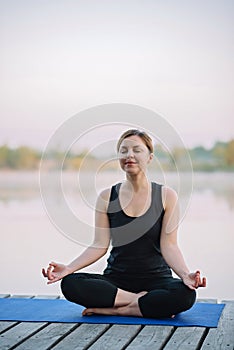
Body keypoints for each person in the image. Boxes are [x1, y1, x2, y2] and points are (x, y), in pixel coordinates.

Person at [42, 129, 206, 318]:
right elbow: (99, 246)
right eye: (123, 150)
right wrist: (69, 268)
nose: (129, 155)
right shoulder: (106, 197)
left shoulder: (166, 196)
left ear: (150, 157)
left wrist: (185, 275)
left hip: (157, 279)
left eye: (137, 150)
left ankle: (117, 309)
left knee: (185, 295)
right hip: (117, 280)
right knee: (70, 284)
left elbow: (169, 246)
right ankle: (143, 304)